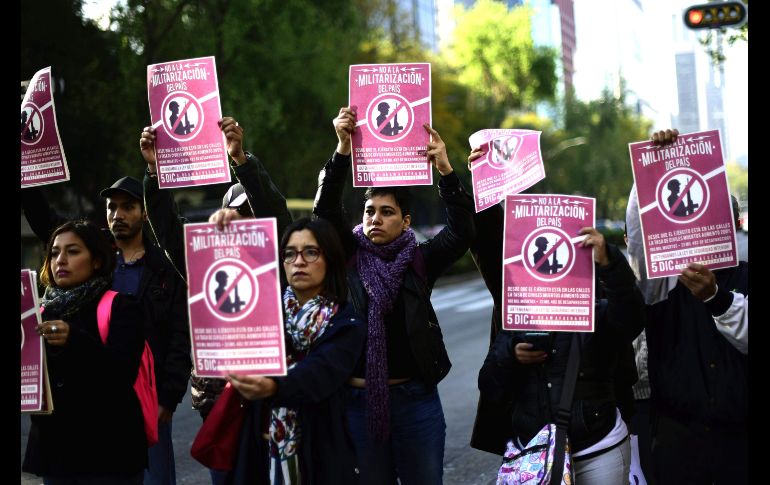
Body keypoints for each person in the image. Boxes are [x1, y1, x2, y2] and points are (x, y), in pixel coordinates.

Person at [312, 106, 475, 485]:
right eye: (370, 211)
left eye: (387, 212)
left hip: (415, 402)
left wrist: (447, 171)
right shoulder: (347, 257)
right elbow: (323, 211)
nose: (375, 218)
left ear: (405, 222)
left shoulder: (419, 260)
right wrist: (341, 150)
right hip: (356, 405)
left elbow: (462, 232)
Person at [140, 117, 293, 485]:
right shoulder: (203, 263)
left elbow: (276, 212)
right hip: (218, 401)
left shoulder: (281, 262)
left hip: (273, 397)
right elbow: (166, 230)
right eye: (237, 214)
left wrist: (241, 159)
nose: (245, 221)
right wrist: (154, 170)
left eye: (252, 214)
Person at [22, 175, 191, 485]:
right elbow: (47, 222)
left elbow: (180, 335)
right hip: (72, 433)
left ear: (144, 212)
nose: (118, 215)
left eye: (128, 207)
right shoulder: (84, 258)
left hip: (143, 395)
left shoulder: (163, 267)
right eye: (112, 207)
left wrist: (168, 395)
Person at [625, 128, 748, 484]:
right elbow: (638, 238)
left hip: (738, 442)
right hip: (679, 439)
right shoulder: (664, 280)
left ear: (733, 226)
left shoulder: (745, 277)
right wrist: (652, 163)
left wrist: (717, 299)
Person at [477, 224, 645, 484]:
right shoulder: (518, 321)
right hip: (536, 454)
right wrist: (511, 355)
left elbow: (632, 318)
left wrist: (610, 263)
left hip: (599, 448)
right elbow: (489, 385)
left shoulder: (595, 312)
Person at [225, 217, 366, 484]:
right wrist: (225, 234)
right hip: (259, 453)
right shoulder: (263, 312)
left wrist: (273, 385)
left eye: (311, 252)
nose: (298, 261)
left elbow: (320, 372)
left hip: (320, 456)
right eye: (290, 254)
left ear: (331, 259)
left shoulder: (347, 324)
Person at [22, 220, 147, 483]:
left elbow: (122, 374)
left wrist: (74, 340)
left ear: (97, 260)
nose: (61, 260)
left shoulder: (121, 306)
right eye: (55, 252)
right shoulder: (38, 313)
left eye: (73, 251)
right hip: (57, 458)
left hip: (108, 457)